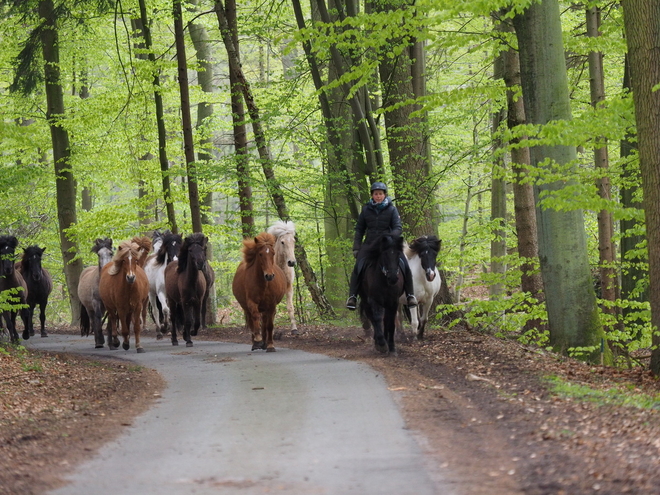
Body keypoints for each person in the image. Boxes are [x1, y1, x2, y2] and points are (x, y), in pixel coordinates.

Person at [346, 181, 418, 310]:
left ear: (384, 195)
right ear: (372, 195)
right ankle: (352, 296)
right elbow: (359, 229)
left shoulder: (392, 209)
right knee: (358, 267)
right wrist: (357, 247)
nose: (378, 196)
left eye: (380, 194)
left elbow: (398, 227)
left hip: (388, 245)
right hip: (370, 245)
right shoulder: (366, 209)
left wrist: (390, 238)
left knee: (404, 264)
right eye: (375, 194)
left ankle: (410, 295)